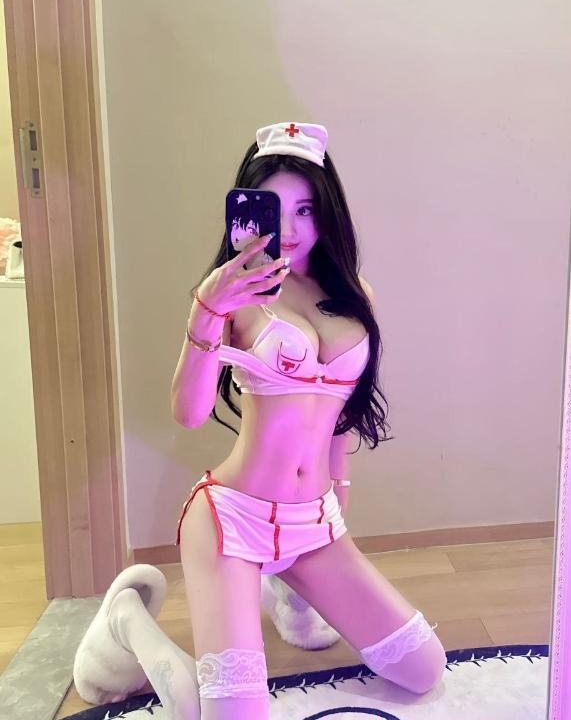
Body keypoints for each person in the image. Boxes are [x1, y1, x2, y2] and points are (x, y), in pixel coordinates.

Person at [72, 122, 447, 720]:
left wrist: (339, 501)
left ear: (328, 212)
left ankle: (284, 589)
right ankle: (127, 621)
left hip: (314, 522)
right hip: (233, 520)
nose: (290, 229)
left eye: (306, 208)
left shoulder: (355, 295)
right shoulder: (234, 296)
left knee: (424, 669)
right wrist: (206, 311)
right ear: (247, 212)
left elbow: (342, 419)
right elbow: (189, 414)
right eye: (274, 208)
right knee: (231, 716)